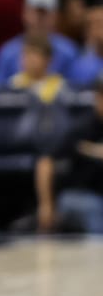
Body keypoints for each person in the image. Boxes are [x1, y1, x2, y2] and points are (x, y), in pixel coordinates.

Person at [37, 84, 103, 234]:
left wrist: (93, 150)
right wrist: (46, 205)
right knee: (94, 209)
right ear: (97, 98)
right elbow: (45, 162)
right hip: (80, 195)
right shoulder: (82, 127)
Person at [0, 0, 81, 87]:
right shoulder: (8, 51)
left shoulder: (68, 51)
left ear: (55, 16)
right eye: (35, 12)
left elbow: (75, 89)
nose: (39, 18)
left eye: (44, 13)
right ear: (24, 14)